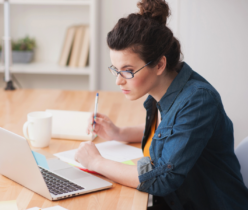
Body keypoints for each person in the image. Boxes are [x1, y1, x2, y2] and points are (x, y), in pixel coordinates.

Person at [73, 0, 248, 209]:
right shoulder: (162, 90)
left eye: (128, 71)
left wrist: (96, 162)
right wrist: (119, 133)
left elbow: (161, 178)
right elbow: (171, 132)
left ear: (159, 64)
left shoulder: (198, 101)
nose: (118, 80)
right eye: (116, 69)